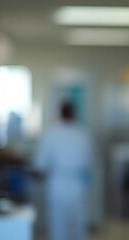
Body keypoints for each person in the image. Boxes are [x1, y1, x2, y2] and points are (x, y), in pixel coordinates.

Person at [33, 100, 93, 240]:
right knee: (78, 226)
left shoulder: (52, 135)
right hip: (77, 185)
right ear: (74, 115)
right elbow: (89, 162)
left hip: (57, 184)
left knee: (58, 226)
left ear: (60, 114)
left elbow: (39, 164)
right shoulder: (83, 135)